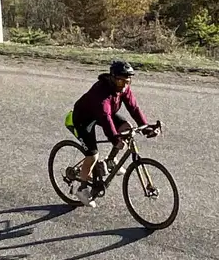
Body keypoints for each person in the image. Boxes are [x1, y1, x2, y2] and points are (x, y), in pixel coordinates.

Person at [67, 59, 157, 199]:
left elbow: (134, 108)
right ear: (112, 78)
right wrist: (115, 139)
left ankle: (110, 160)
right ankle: (82, 189)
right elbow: (105, 117)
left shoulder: (124, 88)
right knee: (92, 155)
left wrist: (146, 128)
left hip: (103, 115)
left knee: (127, 128)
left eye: (127, 82)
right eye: (121, 82)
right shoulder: (101, 93)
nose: (124, 86)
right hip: (83, 119)